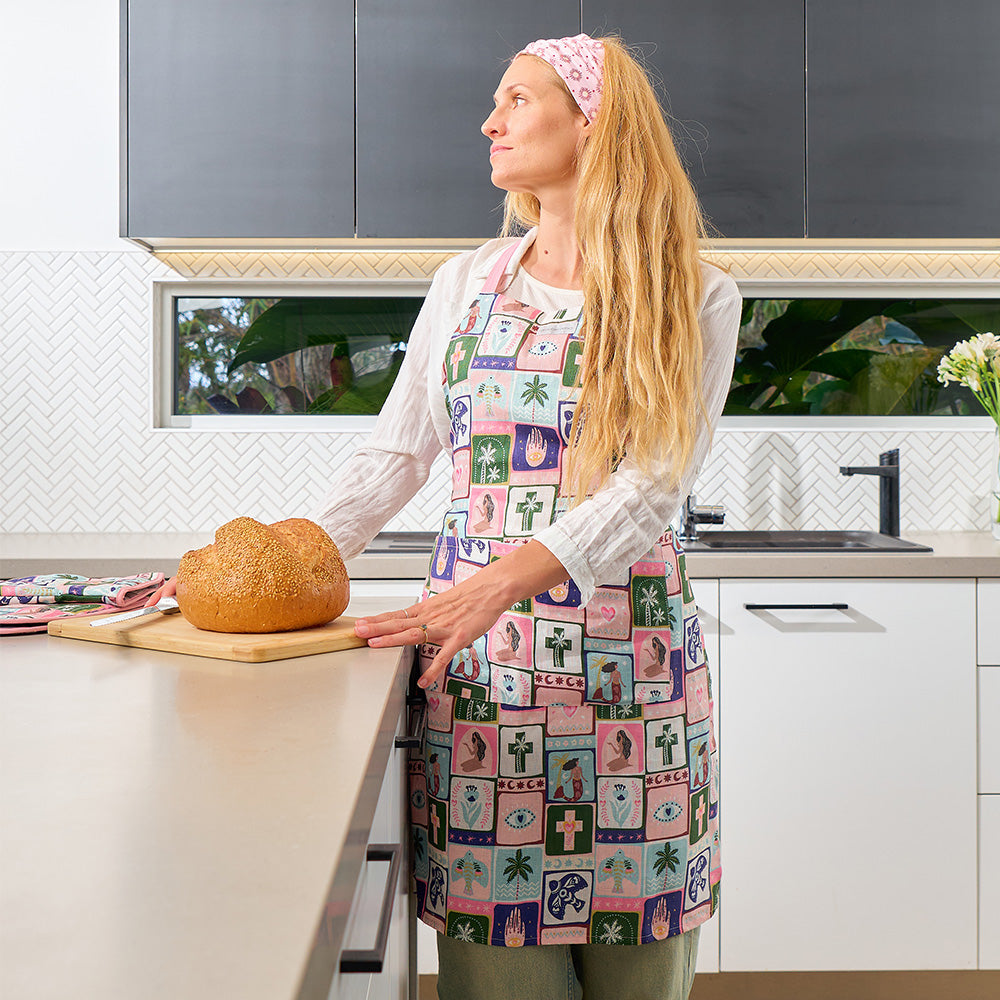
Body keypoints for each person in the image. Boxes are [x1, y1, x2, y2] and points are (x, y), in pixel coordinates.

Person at [150, 31, 740, 1000]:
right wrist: (271, 563)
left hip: (633, 689)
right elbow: (399, 451)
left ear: (592, 118)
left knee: (641, 971)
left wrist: (495, 584)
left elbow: (653, 486)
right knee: (495, 973)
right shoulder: (467, 282)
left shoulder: (695, 293)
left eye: (516, 98)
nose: (489, 121)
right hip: (485, 687)